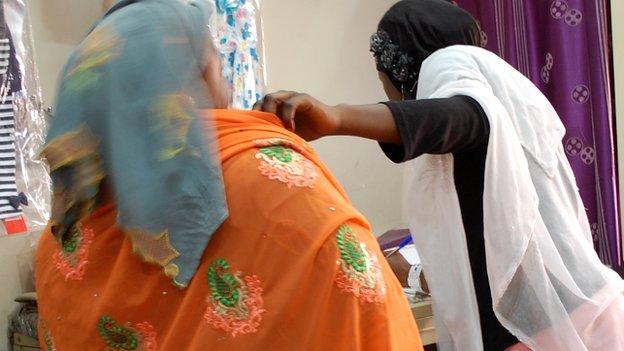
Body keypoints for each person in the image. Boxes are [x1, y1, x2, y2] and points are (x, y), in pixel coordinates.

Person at [35, 1, 422, 350]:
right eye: (214, 57)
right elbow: (367, 308)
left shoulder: (59, 241)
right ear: (190, 73)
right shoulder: (275, 182)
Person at [254, 1, 624, 350]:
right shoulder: (497, 128)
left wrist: (336, 117)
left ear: (404, 74)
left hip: (547, 334)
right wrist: (414, 273)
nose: (392, 97)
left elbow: (462, 118)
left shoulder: (475, 108)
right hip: (579, 318)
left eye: (384, 82)